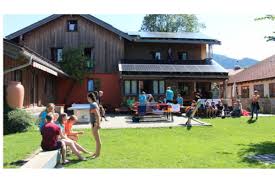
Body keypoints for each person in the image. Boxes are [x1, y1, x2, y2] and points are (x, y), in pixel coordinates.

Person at [87, 92, 102, 158]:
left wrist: (98, 124)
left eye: (87, 97)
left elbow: (98, 115)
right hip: (94, 123)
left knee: (97, 140)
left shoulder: (92, 104)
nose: (87, 99)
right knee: (96, 140)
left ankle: (97, 154)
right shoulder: (95, 103)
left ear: (90, 98)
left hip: (95, 124)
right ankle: (96, 153)